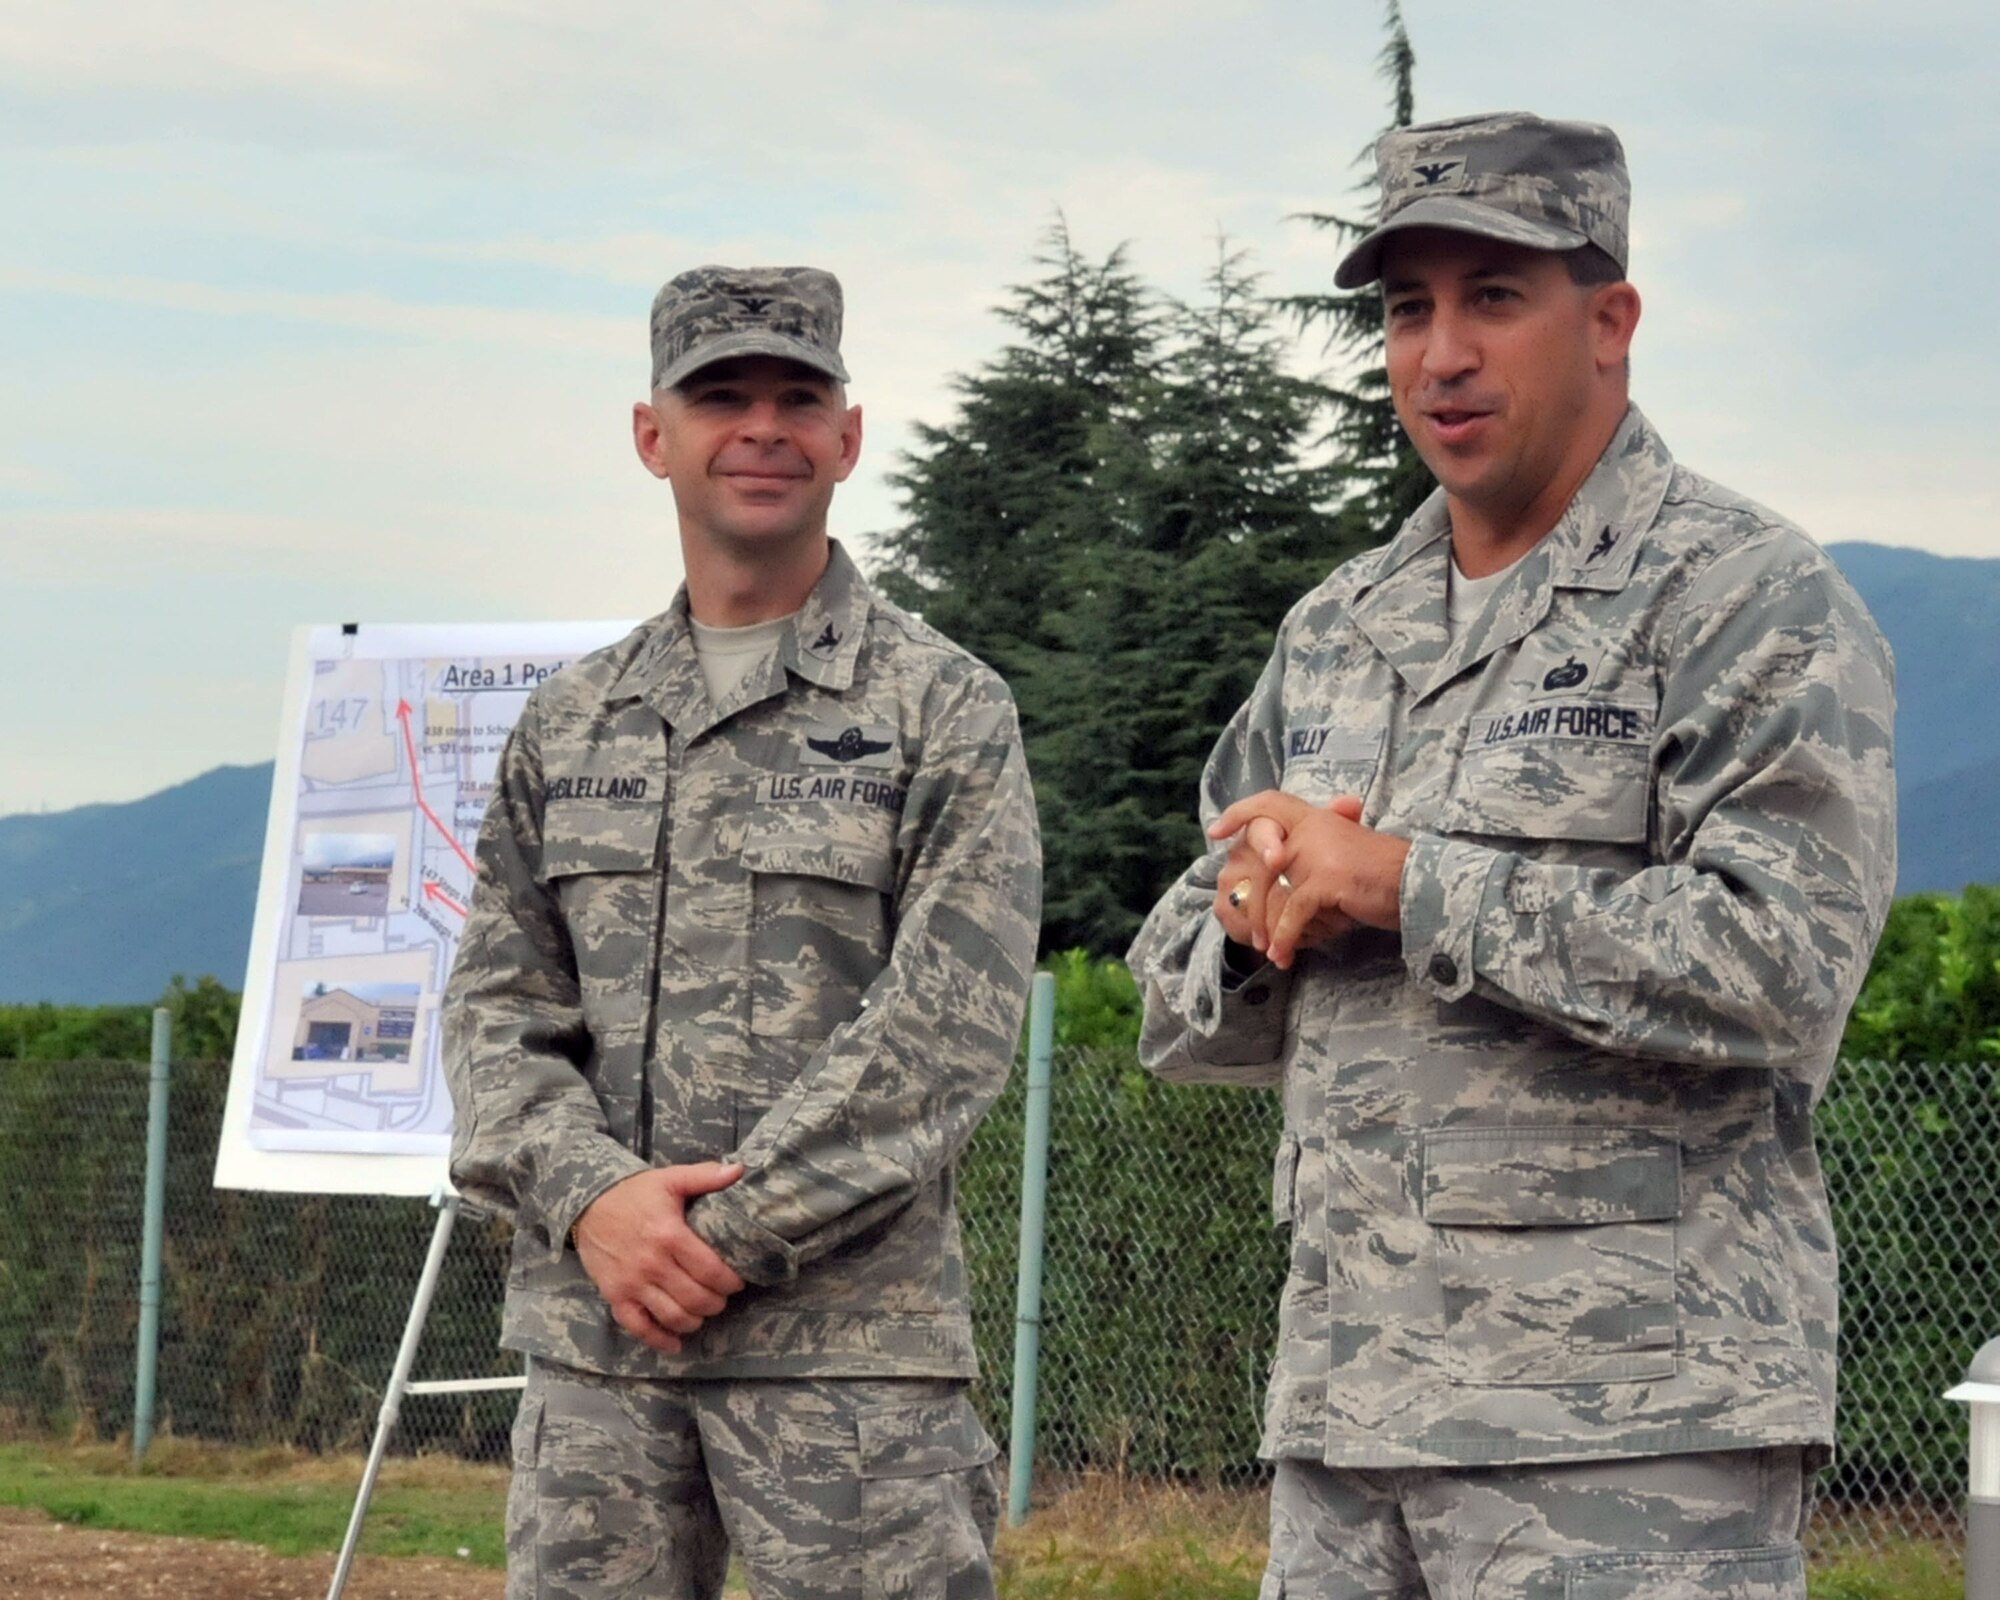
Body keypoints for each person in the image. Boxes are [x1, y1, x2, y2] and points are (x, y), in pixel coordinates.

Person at [1128, 113, 1895, 1598]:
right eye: (1407, 308)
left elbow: (1785, 965)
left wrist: (1411, 886)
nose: (1440, 354)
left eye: (1493, 295)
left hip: (1627, 1436)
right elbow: (1177, 997)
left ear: (1609, 321)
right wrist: (1247, 919)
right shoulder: (1340, 629)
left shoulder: (1745, 598)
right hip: (1349, 1423)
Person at [445, 264, 1042, 1600]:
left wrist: (718, 1237)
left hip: (850, 1369)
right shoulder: (571, 722)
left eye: (796, 396)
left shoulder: (944, 710)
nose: (761, 427)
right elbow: (495, 1010)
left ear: (848, 436)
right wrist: (591, 1200)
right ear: (654, 435)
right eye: (722, 397)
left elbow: (944, 1033)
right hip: (598, 1353)